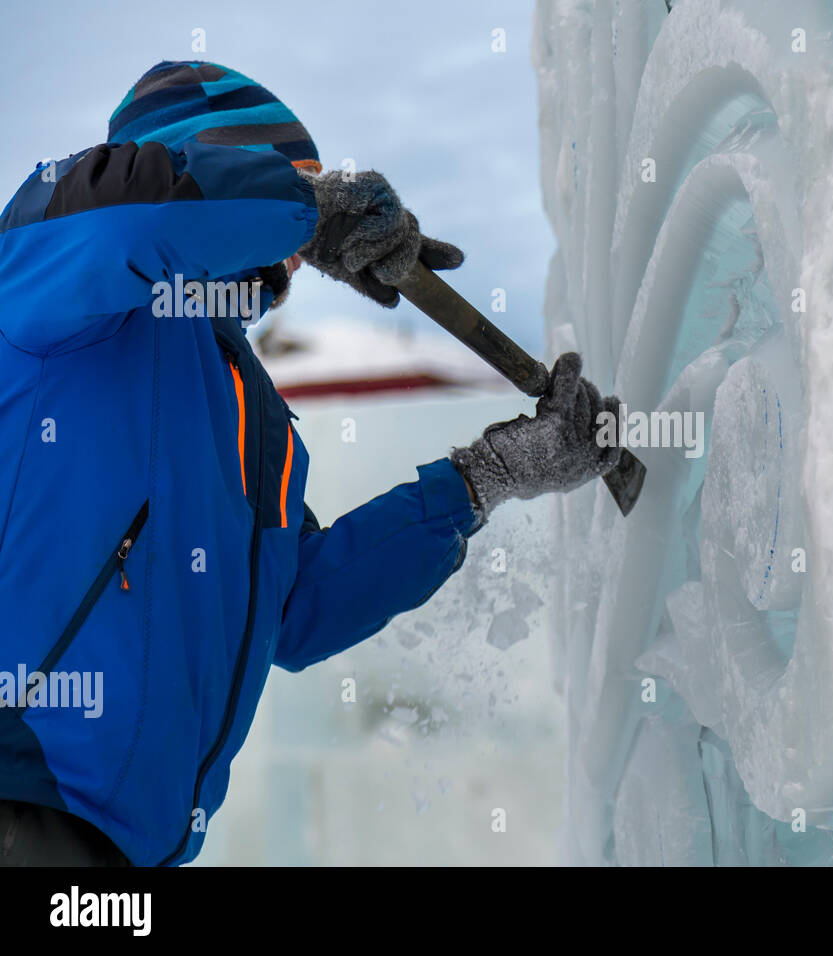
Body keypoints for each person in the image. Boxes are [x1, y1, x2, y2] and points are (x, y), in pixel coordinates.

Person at [0, 60, 619, 866]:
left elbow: (295, 609)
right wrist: (304, 211)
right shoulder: (55, 278)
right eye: (290, 184)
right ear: (204, 153)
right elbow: (128, 219)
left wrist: (484, 477)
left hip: (132, 858)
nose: (301, 251)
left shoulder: (255, 415)